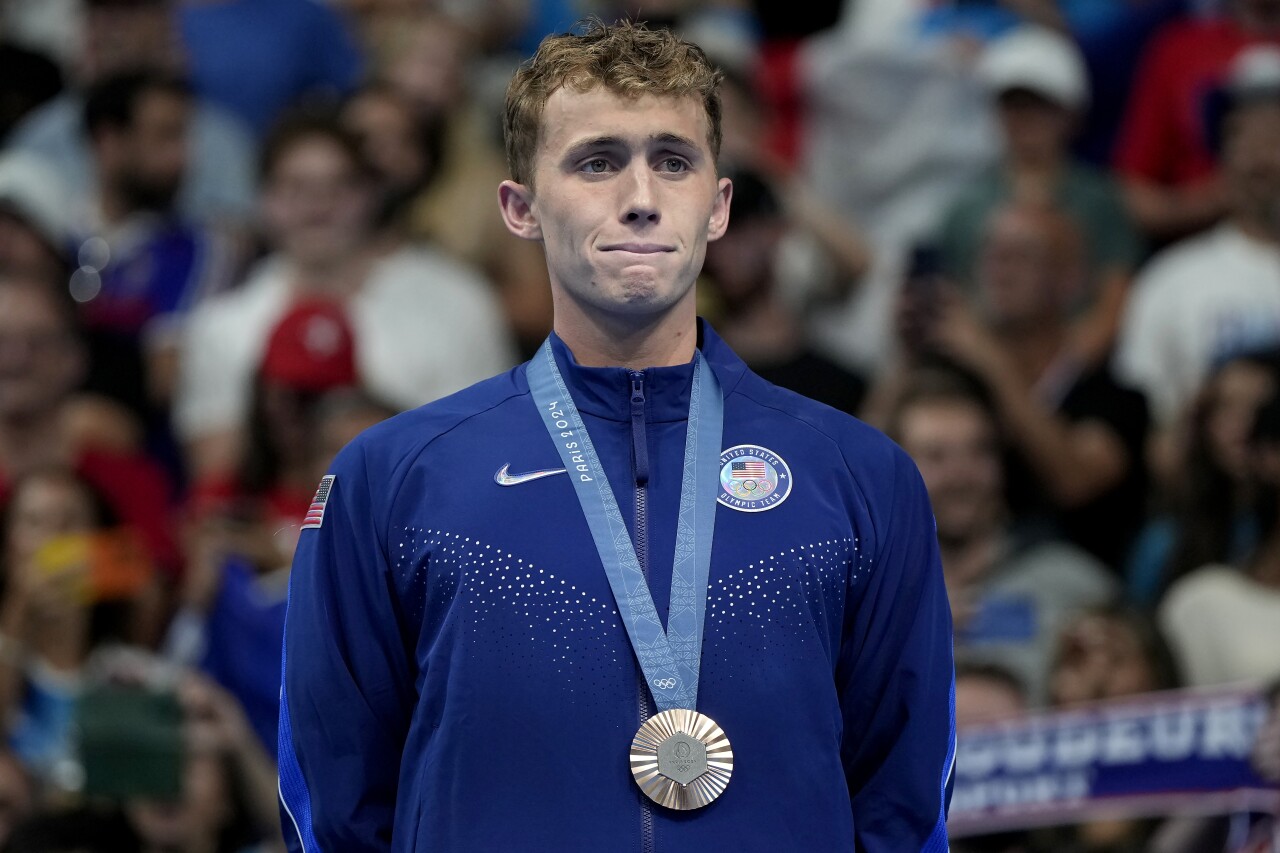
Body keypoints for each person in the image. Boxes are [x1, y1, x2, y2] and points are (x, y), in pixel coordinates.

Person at [279, 20, 954, 852]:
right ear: (519, 208)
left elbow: (904, 805)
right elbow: (337, 798)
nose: (640, 196)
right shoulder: (391, 479)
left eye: (674, 160)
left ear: (719, 205)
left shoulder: (860, 476)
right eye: (597, 161)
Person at [174, 110, 517, 478]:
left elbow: (490, 443)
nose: (318, 204)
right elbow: (215, 472)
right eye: (296, 187)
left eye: (339, 185)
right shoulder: (221, 326)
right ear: (264, 199)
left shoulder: (456, 300)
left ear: (370, 195)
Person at [888, 369, 1117, 704]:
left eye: (979, 451)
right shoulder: (868, 604)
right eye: (936, 456)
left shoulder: (1071, 582)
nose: (961, 475)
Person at [1114, 46, 1280, 471]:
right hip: (1208, 511)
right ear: (1224, 153)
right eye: (1248, 136)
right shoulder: (1172, 280)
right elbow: (1150, 430)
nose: (1266, 155)